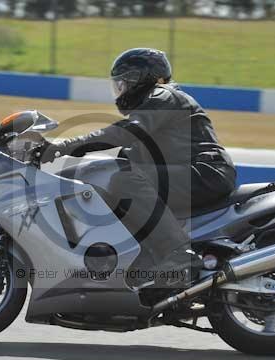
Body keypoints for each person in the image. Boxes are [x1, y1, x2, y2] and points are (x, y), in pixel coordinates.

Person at [40, 48, 236, 287]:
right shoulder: (155, 111)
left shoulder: (164, 95)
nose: (120, 90)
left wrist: (67, 145)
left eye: (124, 83)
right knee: (116, 177)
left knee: (125, 180)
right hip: (190, 174)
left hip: (205, 172)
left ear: (141, 80)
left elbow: (128, 131)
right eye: (117, 84)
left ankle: (179, 256)